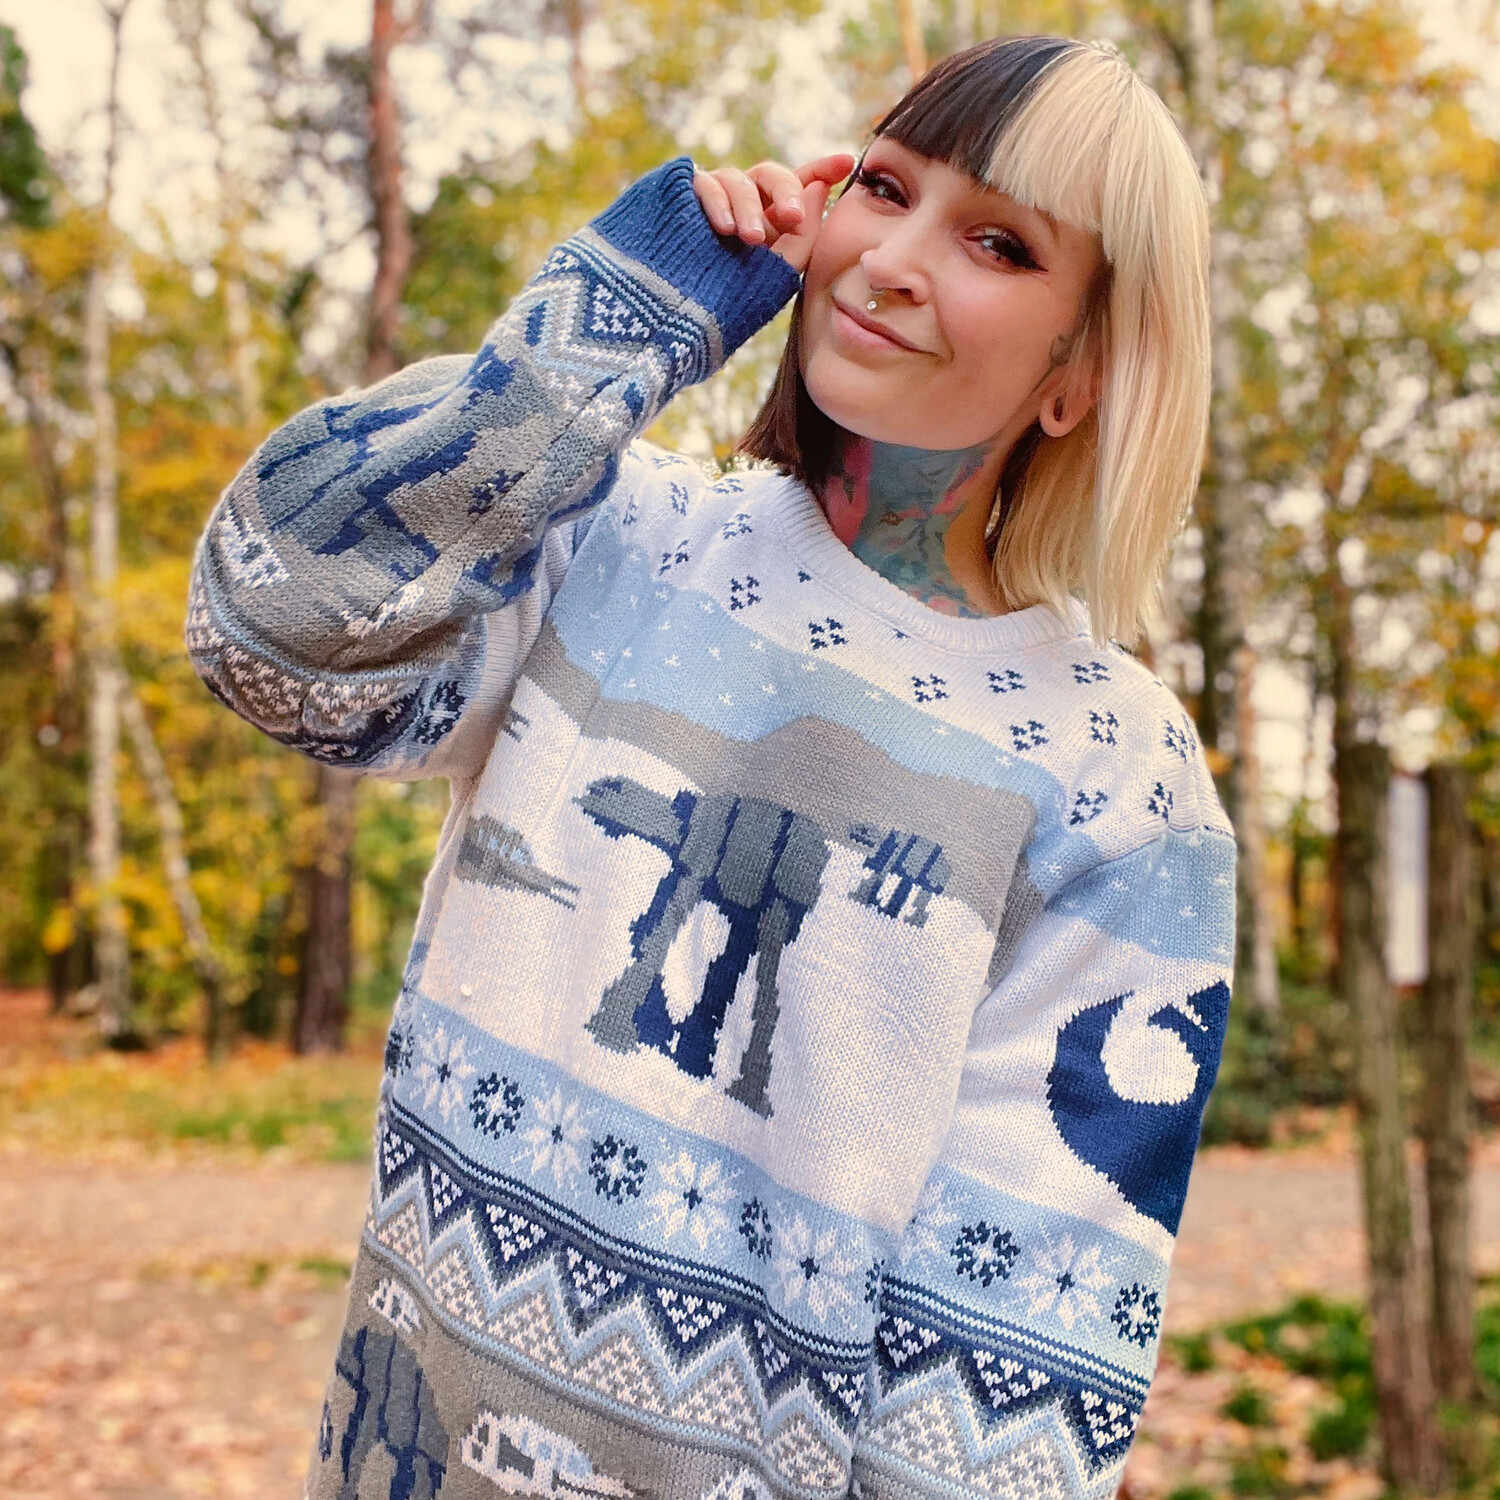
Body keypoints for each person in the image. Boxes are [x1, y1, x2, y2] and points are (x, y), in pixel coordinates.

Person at [187, 32, 1234, 1500]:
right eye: (885, 187)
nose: (892, 261)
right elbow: (275, 635)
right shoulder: (612, 538)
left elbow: (1016, 1364)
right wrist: (624, 322)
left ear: (1080, 376)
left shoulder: (1119, 782)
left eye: (999, 242)